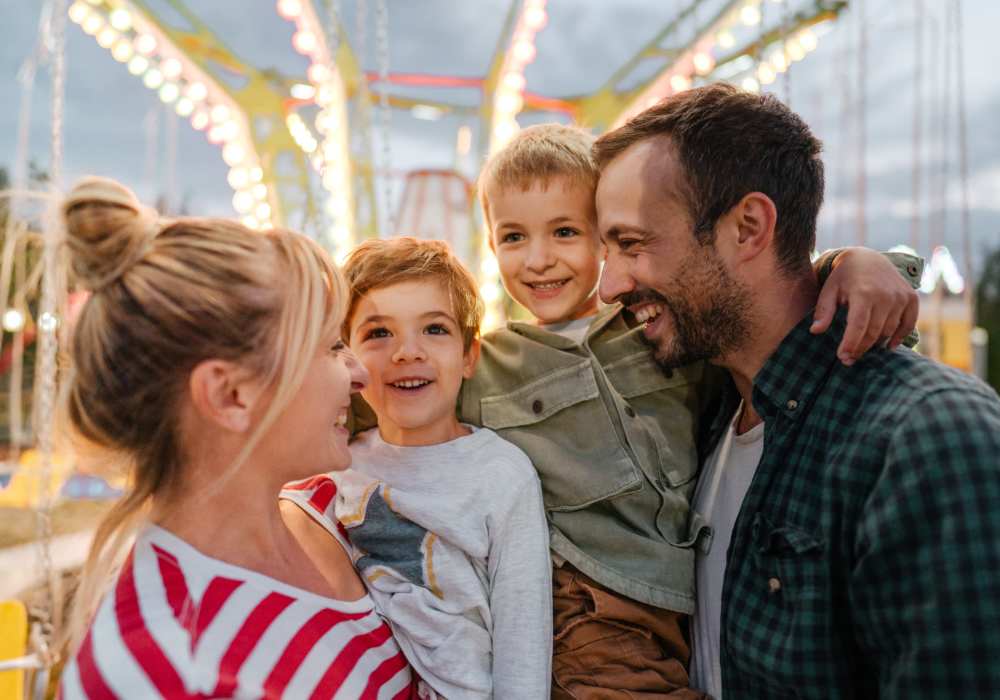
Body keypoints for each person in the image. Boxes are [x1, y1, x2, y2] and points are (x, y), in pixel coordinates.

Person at [457, 123, 922, 698]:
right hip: (590, 608)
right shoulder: (488, 364)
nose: (539, 259)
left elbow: (759, 307)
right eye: (513, 238)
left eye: (566, 231)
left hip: (676, 609)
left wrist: (851, 263)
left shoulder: (661, 332)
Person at [595, 83, 1000, 699]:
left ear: (749, 227)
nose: (609, 284)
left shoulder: (929, 436)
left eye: (631, 243)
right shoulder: (703, 407)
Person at [58, 177, 414, 699]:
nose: (359, 373)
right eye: (330, 347)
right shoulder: (151, 667)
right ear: (230, 396)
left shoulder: (336, 512)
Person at [285, 237, 551, 699]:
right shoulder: (337, 467)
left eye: (434, 329)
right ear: (348, 356)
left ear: (469, 356)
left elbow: (522, 634)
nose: (407, 352)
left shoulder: (502, 474)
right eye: (379, 333)